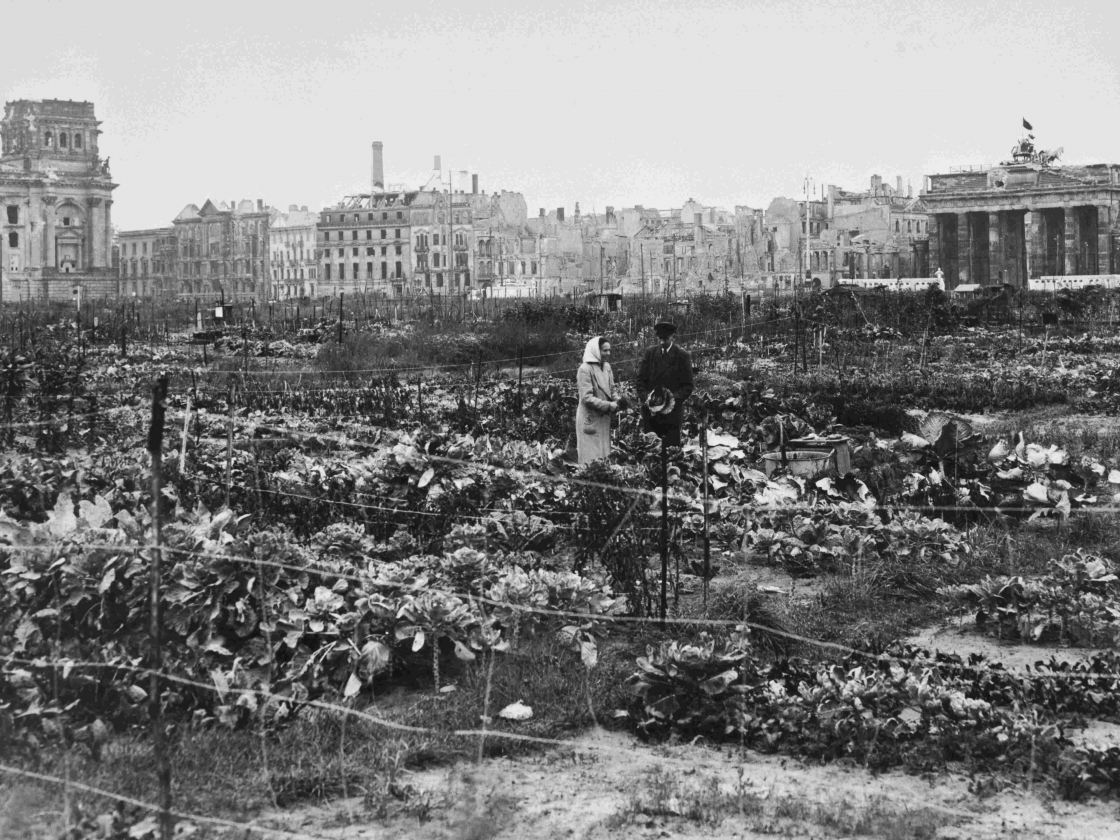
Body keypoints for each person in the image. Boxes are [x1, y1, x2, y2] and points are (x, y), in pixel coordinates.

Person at [636, 320, 694, 447]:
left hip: (671, 414)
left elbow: (688, 386)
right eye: (660, 338)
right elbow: (640, 380)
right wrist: (647, 398)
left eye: (665, 338)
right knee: (650, 450)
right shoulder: (650, 353)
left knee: (671, 451)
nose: (662, 342)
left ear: (673, 337)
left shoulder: (682, 356)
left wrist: (670, 400)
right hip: (651, 414)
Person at [576, 335, 624, 464]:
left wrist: (618, 401)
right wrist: (609, 405)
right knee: (590, 458)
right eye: (604, 350)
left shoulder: (607, 367)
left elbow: (612, 389)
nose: (608, 353)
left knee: (603, 454)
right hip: (590, 417)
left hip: (603, 417)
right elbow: (587, 398)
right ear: (596, 350)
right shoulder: (585, 369)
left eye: (609, 350)